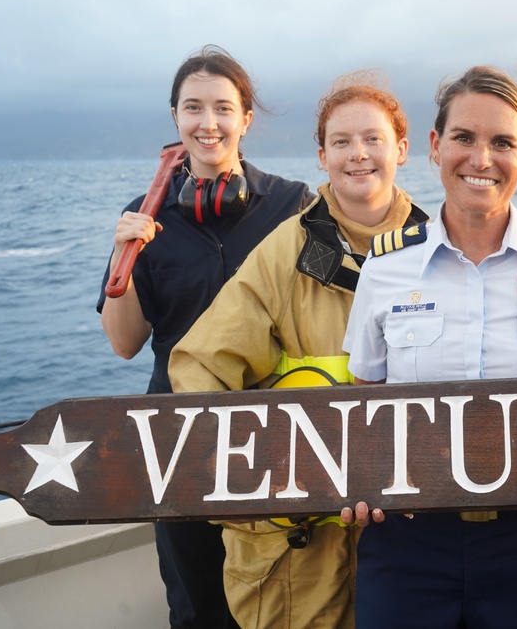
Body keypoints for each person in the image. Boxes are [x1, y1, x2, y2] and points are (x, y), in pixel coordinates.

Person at [341, 65, 517, 629]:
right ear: (437, 146)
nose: (482, 159)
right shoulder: (386, 266)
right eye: (464, 137)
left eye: (502, 143)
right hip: (410, 540)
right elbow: (362, 398)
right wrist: (361, 479)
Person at [168, 72, 428, 629]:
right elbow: (200, 370)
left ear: (401, 149)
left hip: (410, 548)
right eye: (341, 142)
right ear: (321, 156)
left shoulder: (440, 253)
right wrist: (264, 495)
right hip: (297, 553)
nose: (358, 154)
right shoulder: (282, 252)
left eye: (373, 139)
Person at [98, 45, 313, 629]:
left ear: (247, 118)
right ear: (175, 117)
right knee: (195, 604)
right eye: (193, 107)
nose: (208, 122)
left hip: (276, 431)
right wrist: (125, 254)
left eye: (223, 107)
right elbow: (123, 342)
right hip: (177, 437)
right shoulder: (142, 215)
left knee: (288, 599)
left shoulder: (297, 205)